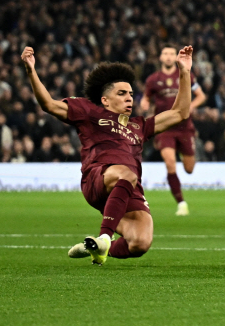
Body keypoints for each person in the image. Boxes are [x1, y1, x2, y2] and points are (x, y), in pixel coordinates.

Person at [21, 45, 193, 266]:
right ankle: (105, 237)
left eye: (131, 94)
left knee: (141, 242)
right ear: (105, 99)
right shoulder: (89, 112)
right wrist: (31, 71)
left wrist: (185, 72)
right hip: (98, 178)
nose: (129, 98)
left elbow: (180, 113)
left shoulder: (139, 125)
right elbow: (48, 104)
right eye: (122, 94)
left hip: (127, 187)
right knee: (127, 173)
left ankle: (99, 250)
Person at [141, 44, 205, 216]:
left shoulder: (186, 75)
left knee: (189, 169)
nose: (168, 56)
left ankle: (182, 152)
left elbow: (201, 95)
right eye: (165, 54)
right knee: (170, 163)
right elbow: (146, 98)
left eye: (171, 53)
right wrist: (145, 104)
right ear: (161, 58)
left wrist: (191, 106)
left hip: (185, 127)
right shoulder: (153, 79)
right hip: (164, 126)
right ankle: (181, 203)